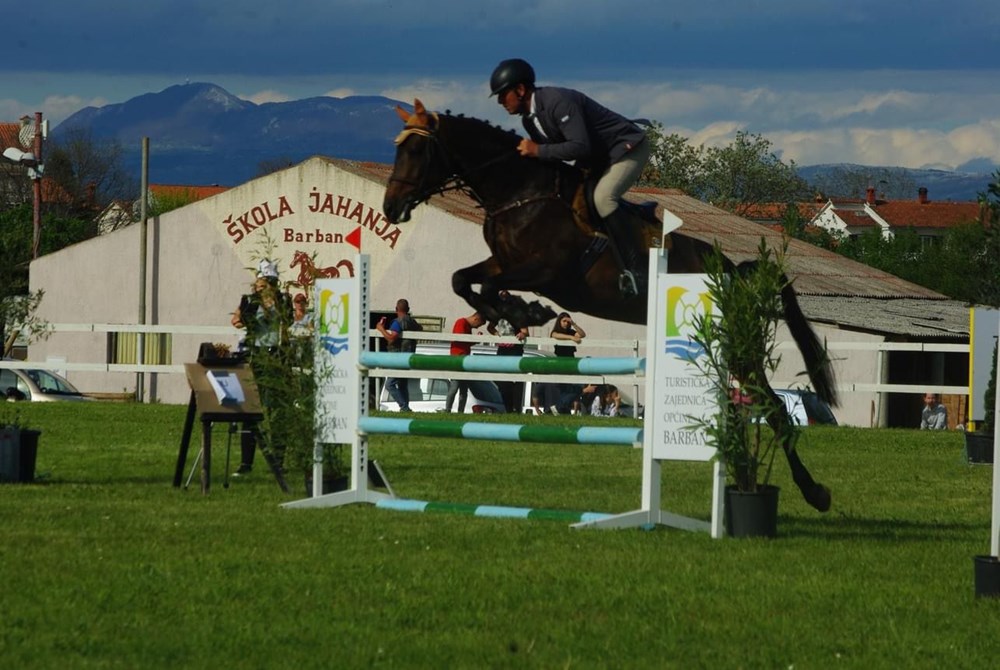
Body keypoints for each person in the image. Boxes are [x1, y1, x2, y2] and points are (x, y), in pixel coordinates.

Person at [490, 57, 651, 297]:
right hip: (599, 157)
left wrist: (537, 150)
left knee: (603, 199)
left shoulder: (557, 102)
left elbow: (579, 146)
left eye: (503, 95)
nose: (501, 101)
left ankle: (636, 272)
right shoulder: (529, 120)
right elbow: (554, 156)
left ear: (520, 90)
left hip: (627, 148)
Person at [230, 259, 293, 475]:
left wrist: (273, 301)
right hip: (256, 355)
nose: (260, 286)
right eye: (259, 283)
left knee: (278, 410)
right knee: (251, 408)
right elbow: (241, 320)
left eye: (264, 283)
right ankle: (246, 463)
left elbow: (288, 321)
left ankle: (279, 461)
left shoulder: (283, 300)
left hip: (276, 356)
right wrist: (255, 305)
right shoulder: (250, 300)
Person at [487, 291, 530, 413]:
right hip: (502, 349)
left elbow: (525, 331)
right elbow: (490, 327)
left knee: (515, 378)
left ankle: (516, 408)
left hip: (514, 348)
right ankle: (508, 408)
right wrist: (497, 334)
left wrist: (522, 334)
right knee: (503, 381)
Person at [375, 298, 421, 411]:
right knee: (402, 384)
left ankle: (404, 406)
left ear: (396, 309)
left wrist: (381, 329)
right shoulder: (412, 322)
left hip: (398, 357)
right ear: (408, 309)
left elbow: (391, 338)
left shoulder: (397, 322)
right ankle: (406, 408)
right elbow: (420, 328)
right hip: (409, 356)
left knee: (389, 384)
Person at [444, 310, 486, 413]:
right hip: (457, 359)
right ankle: (448, 409)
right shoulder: (461, 322)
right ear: (476, 319)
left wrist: (475, 339)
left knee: (463, 389)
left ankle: (460, 411)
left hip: (465, 358)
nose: (477, 327)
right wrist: (475, 339)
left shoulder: (466, 325)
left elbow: (466, 343)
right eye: (479, 324)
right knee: (454, 387)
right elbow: (461, 339)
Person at [551, 312, 587, 414]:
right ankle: (561, 409)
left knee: (576, 387)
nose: (566, 323)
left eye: (568, 321)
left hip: (571, 361)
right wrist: (571, 338)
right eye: (564, 321)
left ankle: (558, 407)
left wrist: (573, 323)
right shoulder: (556, 331)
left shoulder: (571, 331)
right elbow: (555, 335)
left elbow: (582, 334)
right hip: (561, 363)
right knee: (566, 388)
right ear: (559, 321)